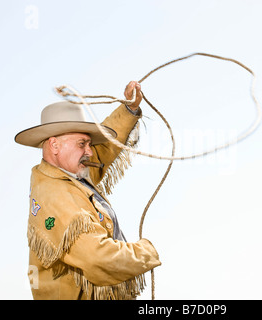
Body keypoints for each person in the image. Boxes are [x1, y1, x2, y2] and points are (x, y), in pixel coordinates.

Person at [15, 81, 161, 300]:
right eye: (82, 144)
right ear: (54, 146)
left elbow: (104, 149)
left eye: (89, 144)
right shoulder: (56, 195)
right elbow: (98, 257)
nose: (90, 153)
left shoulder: (65, 173)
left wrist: (129, 109)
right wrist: (146, 252)